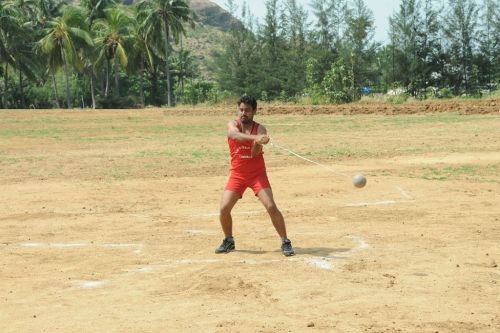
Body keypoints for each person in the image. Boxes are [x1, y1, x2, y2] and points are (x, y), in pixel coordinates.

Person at [215, 95, 295, 256]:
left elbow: (253, 154)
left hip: (257, 174)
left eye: (247, 110)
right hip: (237, 175)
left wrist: (258, 142)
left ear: (254, 111)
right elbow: (235, 136)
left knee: (271, 207)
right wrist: (255, 138)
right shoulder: (232, 124)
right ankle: (228, 240)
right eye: (241, 109)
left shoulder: (260, 129)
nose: (243, 113)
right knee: (224, 209)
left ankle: (285, 241)